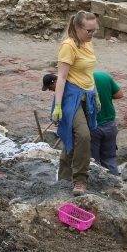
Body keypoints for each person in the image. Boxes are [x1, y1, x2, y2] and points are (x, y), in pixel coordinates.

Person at [51, 10, 100, 195]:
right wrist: (57, 106)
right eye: (89, 30)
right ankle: (80, 180)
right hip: (71, 98)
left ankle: (64, 177)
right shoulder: (68, 46)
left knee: (73, 137)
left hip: (87, 95)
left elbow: (89, 72)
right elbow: (62, 77)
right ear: (78, 28)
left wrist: (96, 94)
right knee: (84, 135)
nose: (92, 34)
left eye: (94, 30)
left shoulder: (87, 43)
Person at [90, 71, 123, 175]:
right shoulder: (103, 76)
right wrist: (106, 95)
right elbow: (119, 94)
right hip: (110, 124)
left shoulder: (79, 81)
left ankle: (98, 184)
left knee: (93, 163)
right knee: (109, 159)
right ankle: (116, 182)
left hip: (93, 128)